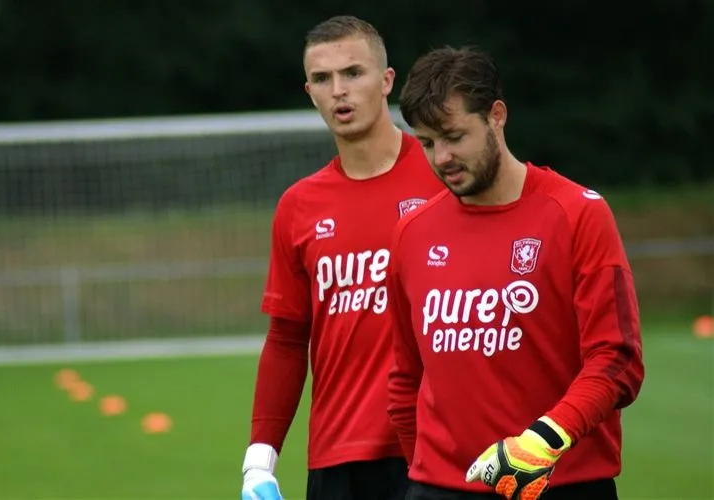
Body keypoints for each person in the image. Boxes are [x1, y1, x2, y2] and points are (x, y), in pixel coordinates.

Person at [386, 46, 645, 500]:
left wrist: (542, 442)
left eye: (453, 136)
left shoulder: (576, 214)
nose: (441, 157)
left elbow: (617, 359)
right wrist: (425, 475)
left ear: (496, 116)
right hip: (439, 488)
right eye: (427, 143)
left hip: (561, 483)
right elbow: (406, 378)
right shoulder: (412, 233)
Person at [240, 15, 444, 500]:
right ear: (309, 91)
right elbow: (288, 339)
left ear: (387, 80)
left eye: (353, 73)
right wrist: (258, 461)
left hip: (438, 451)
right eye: (322, 79)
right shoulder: (298, 206)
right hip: (338, 459)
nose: (339, 91)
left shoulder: (445, 177)